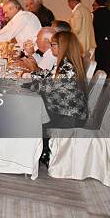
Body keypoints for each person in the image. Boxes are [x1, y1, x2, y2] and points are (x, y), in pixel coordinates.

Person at [25, 31, 88, 165]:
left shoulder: (67, 68)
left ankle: (43, 151)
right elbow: (49, 78)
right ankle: (39, 149)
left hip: (69, 116)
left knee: (31, 112)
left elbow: (47, 88)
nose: (50, 47)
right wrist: (33, 75)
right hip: (64, 110)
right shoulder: (64, 63)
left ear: (63, 46)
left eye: (53, 44)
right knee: (33, 108)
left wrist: (27, 82)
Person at [92, 0, 110, 74]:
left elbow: (91, 29)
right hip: (109, 40)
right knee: (106, 60)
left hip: (96, 40)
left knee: (97, 59)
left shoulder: (93, 14)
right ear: (106, 3)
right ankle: (105, 76)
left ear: (97, 3)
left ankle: (97, 77)